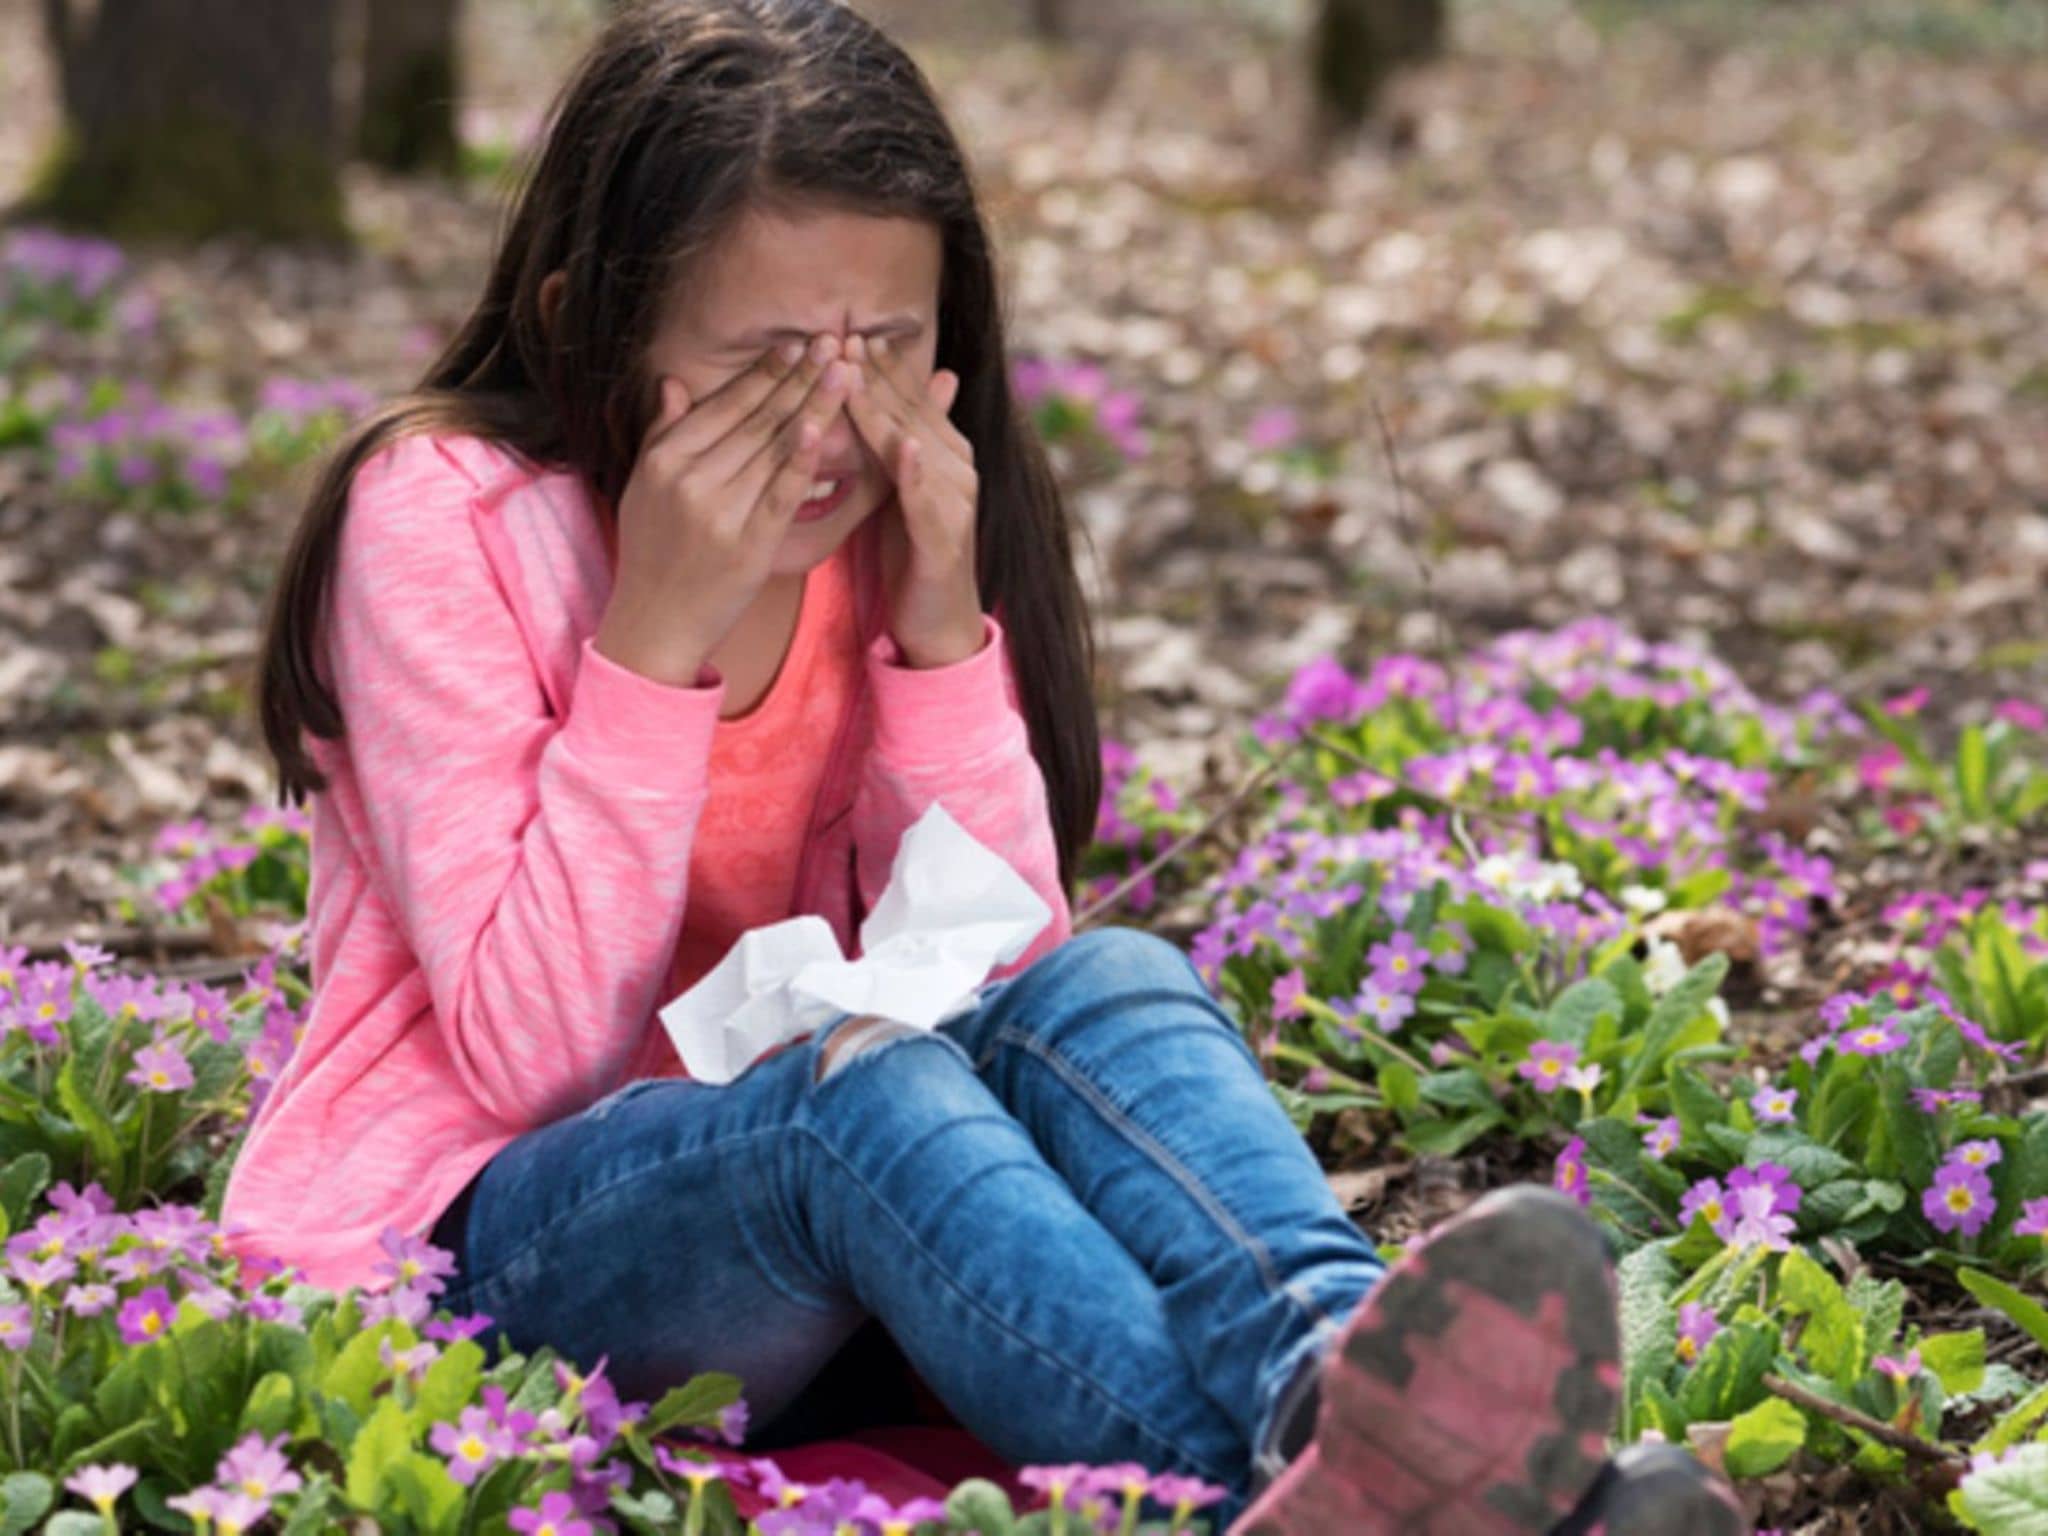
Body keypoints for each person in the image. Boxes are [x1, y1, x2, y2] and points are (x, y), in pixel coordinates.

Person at [226, 2, 1747, 1532]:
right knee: (856, 1096)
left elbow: (1006, 964)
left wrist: (943, 633)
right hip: (491, 1246)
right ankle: (1254, 1504)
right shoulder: (442, 518)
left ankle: (1328, 1385)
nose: (836, 416)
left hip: (834, 1258)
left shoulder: (894, 524)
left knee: (1113, 984)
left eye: (888, 345)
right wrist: (651, 645)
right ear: (585, 329)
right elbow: (529, 1057)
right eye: (765, 359)